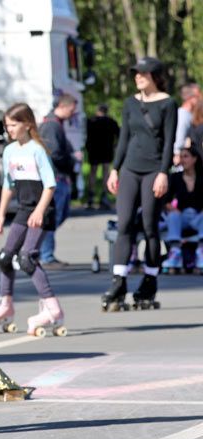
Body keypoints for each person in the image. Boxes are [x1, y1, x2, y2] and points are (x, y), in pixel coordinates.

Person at [0, 103, 66, 338]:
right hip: (24, 209)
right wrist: (0, 214)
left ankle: (53, 309)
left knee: (27, 258)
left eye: (14, 124)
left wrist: (39, 211)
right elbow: (9, 185)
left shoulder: (37, 150)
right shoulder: (9, 151)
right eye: (7, 125)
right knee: (5, 257)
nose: (10, 130)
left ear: (27, 124)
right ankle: (5, 305)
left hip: (42, 209)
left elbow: (50, 185)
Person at [103, 57, 177, 311]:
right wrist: (114, 169)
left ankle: (149, 280)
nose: (138, 77)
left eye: (143, 74)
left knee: (149, 227)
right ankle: (119, 280)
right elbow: (123, 138)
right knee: (123, 224)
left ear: (155, 76)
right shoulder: (130, 103)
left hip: (154, 170)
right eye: (135, 73)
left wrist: (163, 173)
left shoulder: (168, 103)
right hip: (130, 169)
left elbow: (168, 142)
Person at [38, 93, 77, 268]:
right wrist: (71, 159)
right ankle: (45, 254)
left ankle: (41, 250)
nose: (72, 113)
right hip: (55, 176)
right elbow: (54, 152)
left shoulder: (54, 124)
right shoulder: (52, 126)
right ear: (62, 106)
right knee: (52, 217)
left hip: (59, 176)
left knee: (59, 215)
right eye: (71, 109)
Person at [161, 145, 203, 273]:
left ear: (194, 159)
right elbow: (165, 200)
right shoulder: (175, 177)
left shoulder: (201, 176)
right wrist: (172, 209)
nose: (182, 160)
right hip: (182, 216)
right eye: (181, 157)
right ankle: (175, 251)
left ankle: (201, 251)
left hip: (199, 216)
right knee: (173, 216)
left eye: (186, 156)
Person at [85, 104, 119, 210]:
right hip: (107, 150)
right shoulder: (111, 122)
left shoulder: (91, 121)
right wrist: (114, 145)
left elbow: (86, 135)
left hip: (94, 150)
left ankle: (90, 196)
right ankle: (104, 196)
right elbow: (119, 135)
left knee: (93, 172)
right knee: (105, 172)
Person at [173, 83, 200, 166]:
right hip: (181, 161)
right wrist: (177, 154)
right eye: (197, 97)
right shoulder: (183, 115)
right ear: (191, 99)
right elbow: (179, 138)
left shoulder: (189, 115)